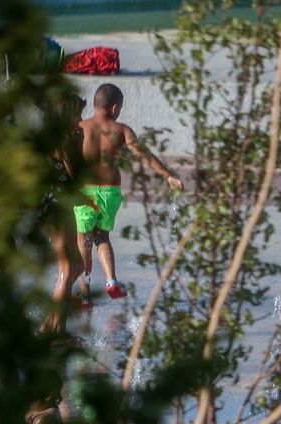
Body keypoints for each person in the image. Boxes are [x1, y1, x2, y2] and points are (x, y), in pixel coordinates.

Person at [73, 83, 183, 301]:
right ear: (114, 108)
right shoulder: (121, 130)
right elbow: (144, 155)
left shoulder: (80, 127)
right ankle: (111, 280)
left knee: (83, 239)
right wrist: (168, 174)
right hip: (110, 192)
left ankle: (85, 292)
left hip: (85, 192)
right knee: (102, 238)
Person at [42, 92, 86, 332]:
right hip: (57, 205)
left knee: (76, 265)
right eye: (77, 114)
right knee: (68, 267)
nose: (80, 119)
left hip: (52, 204)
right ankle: (58, 330)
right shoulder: (64, 140)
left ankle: (49, 325)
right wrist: (77, 145)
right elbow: (77, 176)